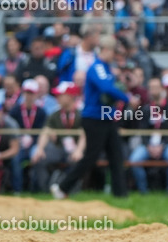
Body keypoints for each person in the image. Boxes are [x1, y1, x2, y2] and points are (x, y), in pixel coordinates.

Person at [51, 36, 137, 199]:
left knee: (116, 155)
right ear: (106, 50)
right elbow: (106, 88)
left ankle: (121, 194)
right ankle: (62, 187)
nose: (115, 55)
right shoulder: (97, 67)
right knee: (90, 157)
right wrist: (127, 98)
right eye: (113, 52)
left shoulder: (106, 68)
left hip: (107, 117)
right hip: (95, 119)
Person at [31, 82, 86, 191]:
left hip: (76, 149)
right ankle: (46, 190)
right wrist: (40, 149)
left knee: (77, 161)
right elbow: (46, 131)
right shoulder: (55, 113)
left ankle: (71, 190)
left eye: (60, 95)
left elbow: (84, 134)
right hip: (59, 148)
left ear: (70, 96)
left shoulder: (82, 112)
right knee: (40, 159)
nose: (57, 97)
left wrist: (79, 150)